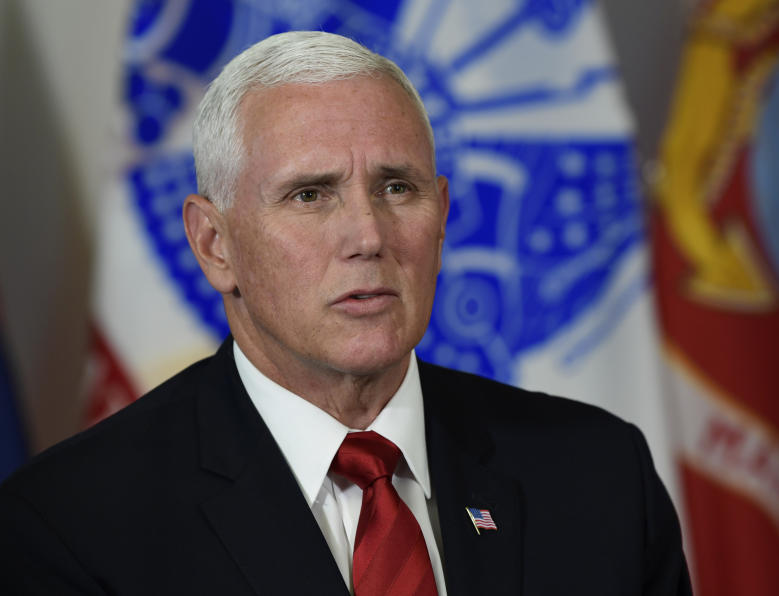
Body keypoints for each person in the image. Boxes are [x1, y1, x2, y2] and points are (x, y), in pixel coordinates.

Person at [0, 31, 691, 595]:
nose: (368, 235)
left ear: (443, 215)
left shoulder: (598, 476)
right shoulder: (71, 525)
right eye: (310, 195)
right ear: (215, 246)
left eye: (398, 187)